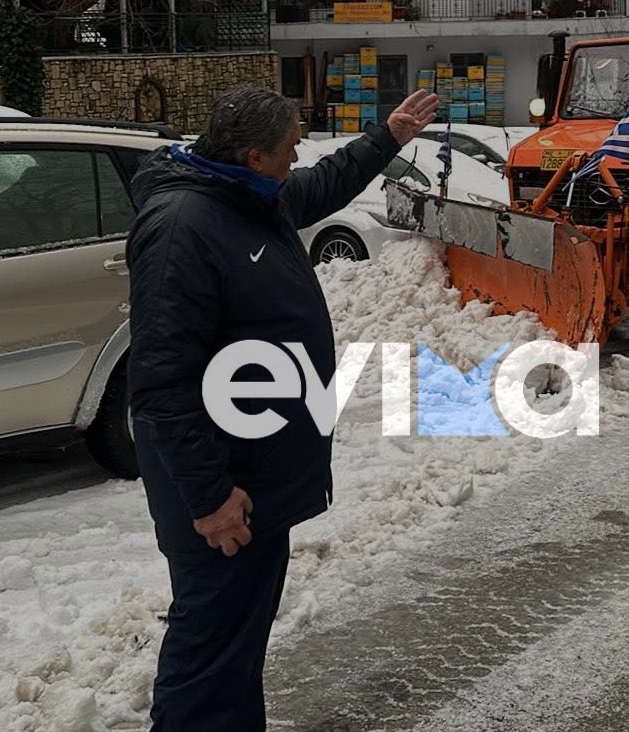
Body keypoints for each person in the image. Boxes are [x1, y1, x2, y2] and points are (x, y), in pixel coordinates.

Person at [126, 85, 438, 730]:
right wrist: (210, 498)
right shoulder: (186, 229)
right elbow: (161, 385)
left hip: (255, 471)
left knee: (236, 644)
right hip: (224, 485)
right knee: (211, 645)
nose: (298, 159)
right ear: (254, 155)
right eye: (290, 149)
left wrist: (389, 136)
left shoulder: (244, 197)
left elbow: (321, 186)